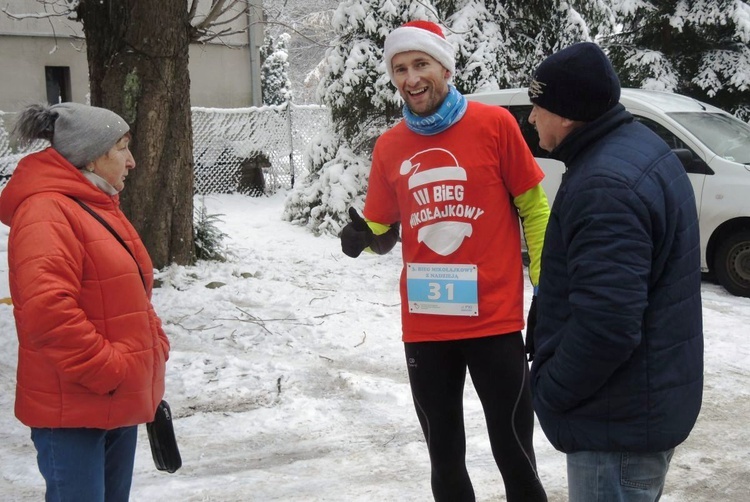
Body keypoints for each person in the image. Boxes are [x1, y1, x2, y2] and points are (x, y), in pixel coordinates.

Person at [340, 20, 549, 502]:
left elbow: (534, 209)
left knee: (514, 453)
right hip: (427, 323)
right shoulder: (389, 146)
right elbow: (382, 227)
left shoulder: (494, 126)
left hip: (494, 320)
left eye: (420, 65)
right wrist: (360, 237)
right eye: (400, 68)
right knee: (445, 456)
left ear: (445, 68)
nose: (410, 78)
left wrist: (545, 284)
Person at [527, 42, 703, 502]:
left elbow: (606, 325)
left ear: (565, 114)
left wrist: (550, 391)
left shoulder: (605, 184)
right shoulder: (637, 147)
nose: (531, 119)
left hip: (614, 427)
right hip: (637, 407)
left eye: (537, 107)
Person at [0, 102, 170, 502]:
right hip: (76, 410)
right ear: (92, 157)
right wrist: (111, 371)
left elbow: (132, 291)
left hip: (114, 400)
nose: (131, 161)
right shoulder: (47, 211)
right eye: (122, 148)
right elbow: (47, 313)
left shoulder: (98, 205)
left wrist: (154, 346)